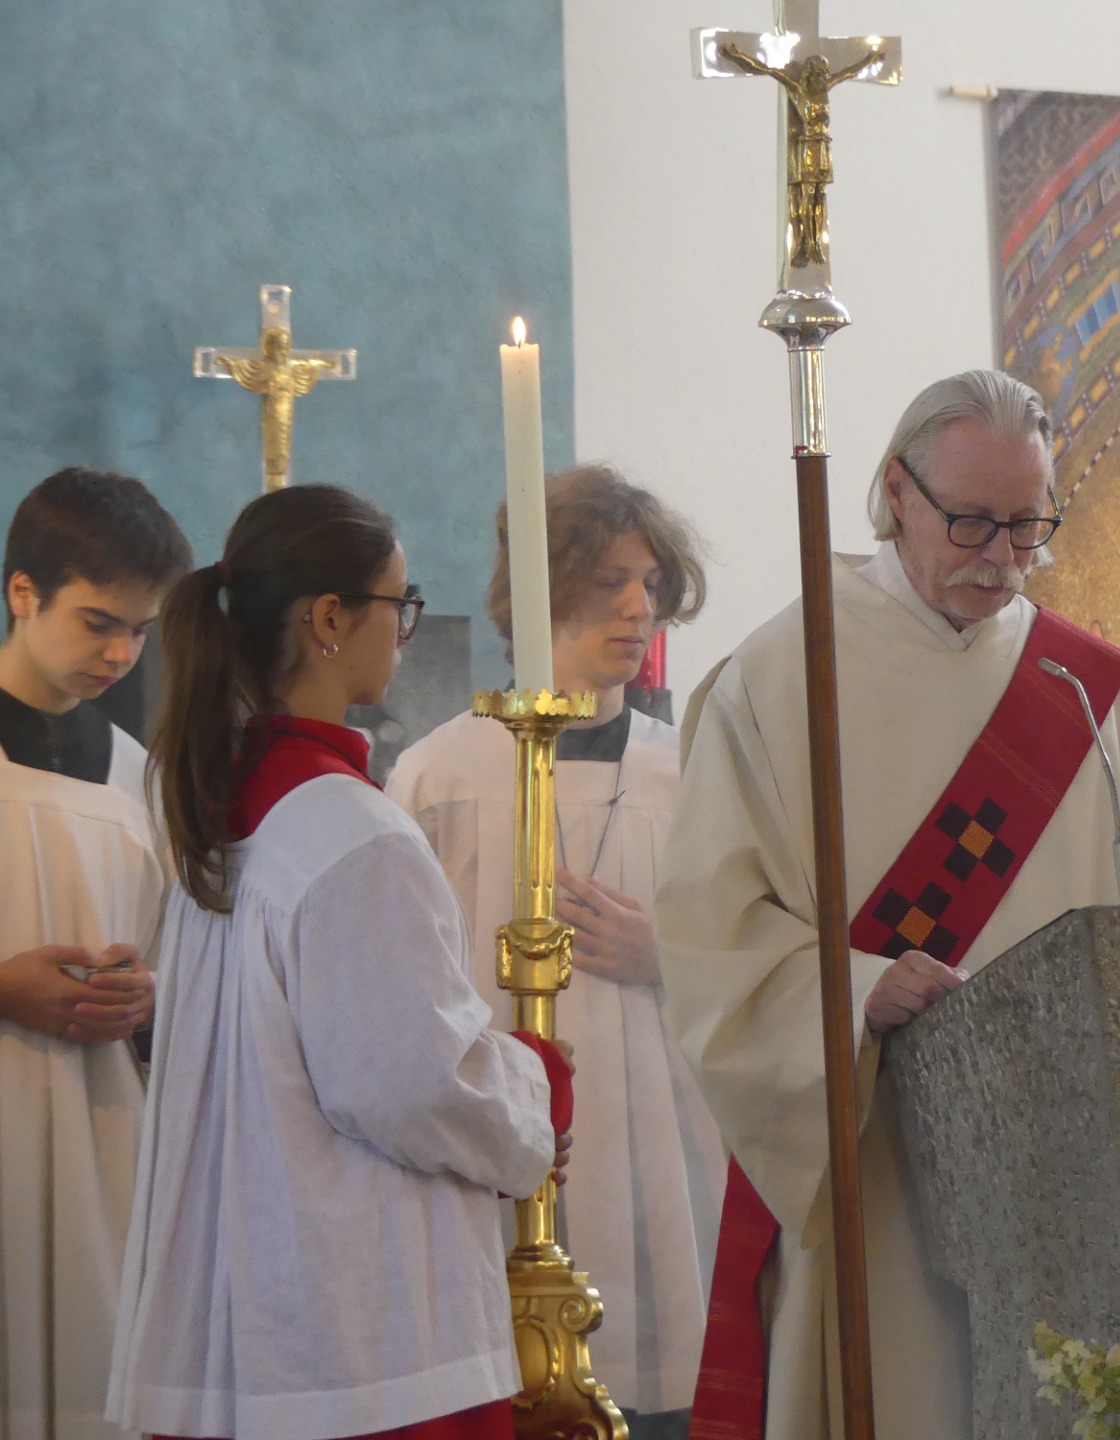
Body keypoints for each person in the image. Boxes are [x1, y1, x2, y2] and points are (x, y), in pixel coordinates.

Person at [656, 370, 1120, 1440]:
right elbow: (711, 938)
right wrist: (858, 991)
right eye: (971, 521)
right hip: (883, 1169)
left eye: (1028, 525)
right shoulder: (780, 680)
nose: (1001, 556)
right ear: (895, 492)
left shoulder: (1080, 691)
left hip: (1060, 1176)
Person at [107, 484, 572, 1440]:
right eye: (399, 603)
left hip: (254, 1298)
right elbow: (407, 1084)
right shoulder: (351, 832)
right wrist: (537, 1085)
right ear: (328, 619)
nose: (403, 628)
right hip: (357, 1337)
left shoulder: (224, 805)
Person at [389, 466, 724, 1439]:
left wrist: (669, 954)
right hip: (501, 1147)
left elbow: (763, 953)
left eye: (651, 584)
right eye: (610, 580)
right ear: (540, 591)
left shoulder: (685, 772)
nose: (638, 607)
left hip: (662, 1150)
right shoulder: (441, 775)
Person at [0, 467, 190, 1439]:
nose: (120, 653)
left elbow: (170, 964)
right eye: (97, 622)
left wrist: (147, 999)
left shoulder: (136, 778)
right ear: (21, 592)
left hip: (101, 1145)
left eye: (140, 631)